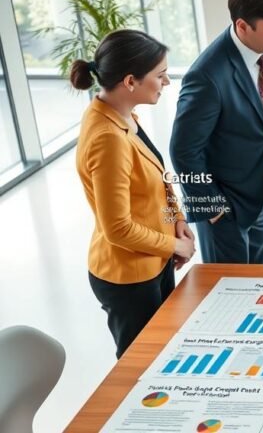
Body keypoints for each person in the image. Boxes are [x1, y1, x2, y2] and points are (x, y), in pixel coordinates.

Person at [73, 30, 196, 358]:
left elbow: (157, 177)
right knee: (140, 365)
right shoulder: (108, 138)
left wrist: (177, 219)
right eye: (160, 75)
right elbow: (118, 228)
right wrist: (174, 244)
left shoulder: (123, 115)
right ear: (130, 81)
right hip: (129, 277)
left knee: (164, 353)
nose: (167, 82)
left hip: (154, 259)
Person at [170, 0, 263, 264]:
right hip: (224, 208)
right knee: (228, 292)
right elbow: (183, 150)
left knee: (259, 283)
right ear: (242, 26)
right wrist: (212, 206)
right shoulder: (206, 76)